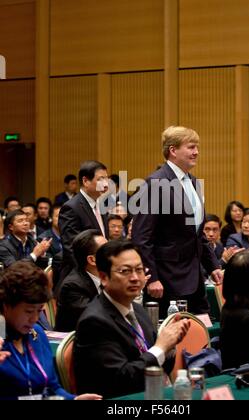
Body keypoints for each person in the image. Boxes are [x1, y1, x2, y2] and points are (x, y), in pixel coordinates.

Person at [74, 240, 190, 399]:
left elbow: (161, 364)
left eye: (139, 270)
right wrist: (161, 347)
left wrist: (170, 346)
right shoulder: (94, 321)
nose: (135, 278)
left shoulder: (138, 310)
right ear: (103, 277)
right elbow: (122, 380)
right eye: (125, 271)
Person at [131, 126, 222, 317]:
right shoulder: (156, 184)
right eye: (190, 147)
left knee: (201, 334)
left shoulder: (194, 182)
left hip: (195, 278)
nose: (196, 152)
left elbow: (197, 234)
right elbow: (141, 237)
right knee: (174, 339)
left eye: (197, 147)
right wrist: (151, 278)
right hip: (166, 280)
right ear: (173, 150)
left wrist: (213, 265)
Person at [0, 261, 102, 400]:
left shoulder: (37, 333)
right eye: (29, 311)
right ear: (6, 306)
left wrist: (73, 399)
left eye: (40, 311)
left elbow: (52, 388)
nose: (35, 319)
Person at [59, 160, 109, 278]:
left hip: (100, 272)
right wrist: (91, 275)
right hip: (82, 277)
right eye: (101, 179)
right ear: (86, 181)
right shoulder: (71, 208)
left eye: (106, 179)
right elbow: (71, 248)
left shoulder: (101, 205)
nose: (106, 184)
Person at [55, 229, 107, 332]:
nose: (114, 254)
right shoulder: (72, 286)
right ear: (92, 260)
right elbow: (98, 317)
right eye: (106, 250)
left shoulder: (107, 276)